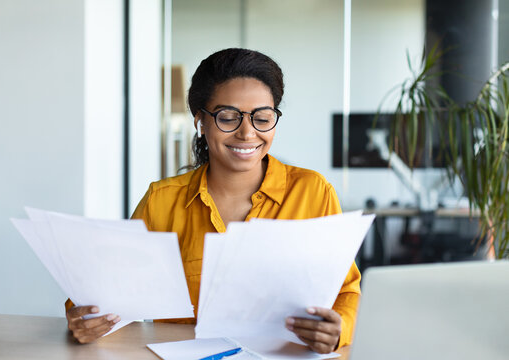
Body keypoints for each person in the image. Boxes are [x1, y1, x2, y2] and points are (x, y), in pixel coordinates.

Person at [65, 48, 361, 354]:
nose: (248, 133)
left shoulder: (312, 192)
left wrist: (339, 328)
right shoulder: (162, 201)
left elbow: (346, 290)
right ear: (200, 122)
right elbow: (107, 289)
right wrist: (84, 318)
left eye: (262, 118)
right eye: (228, 117)